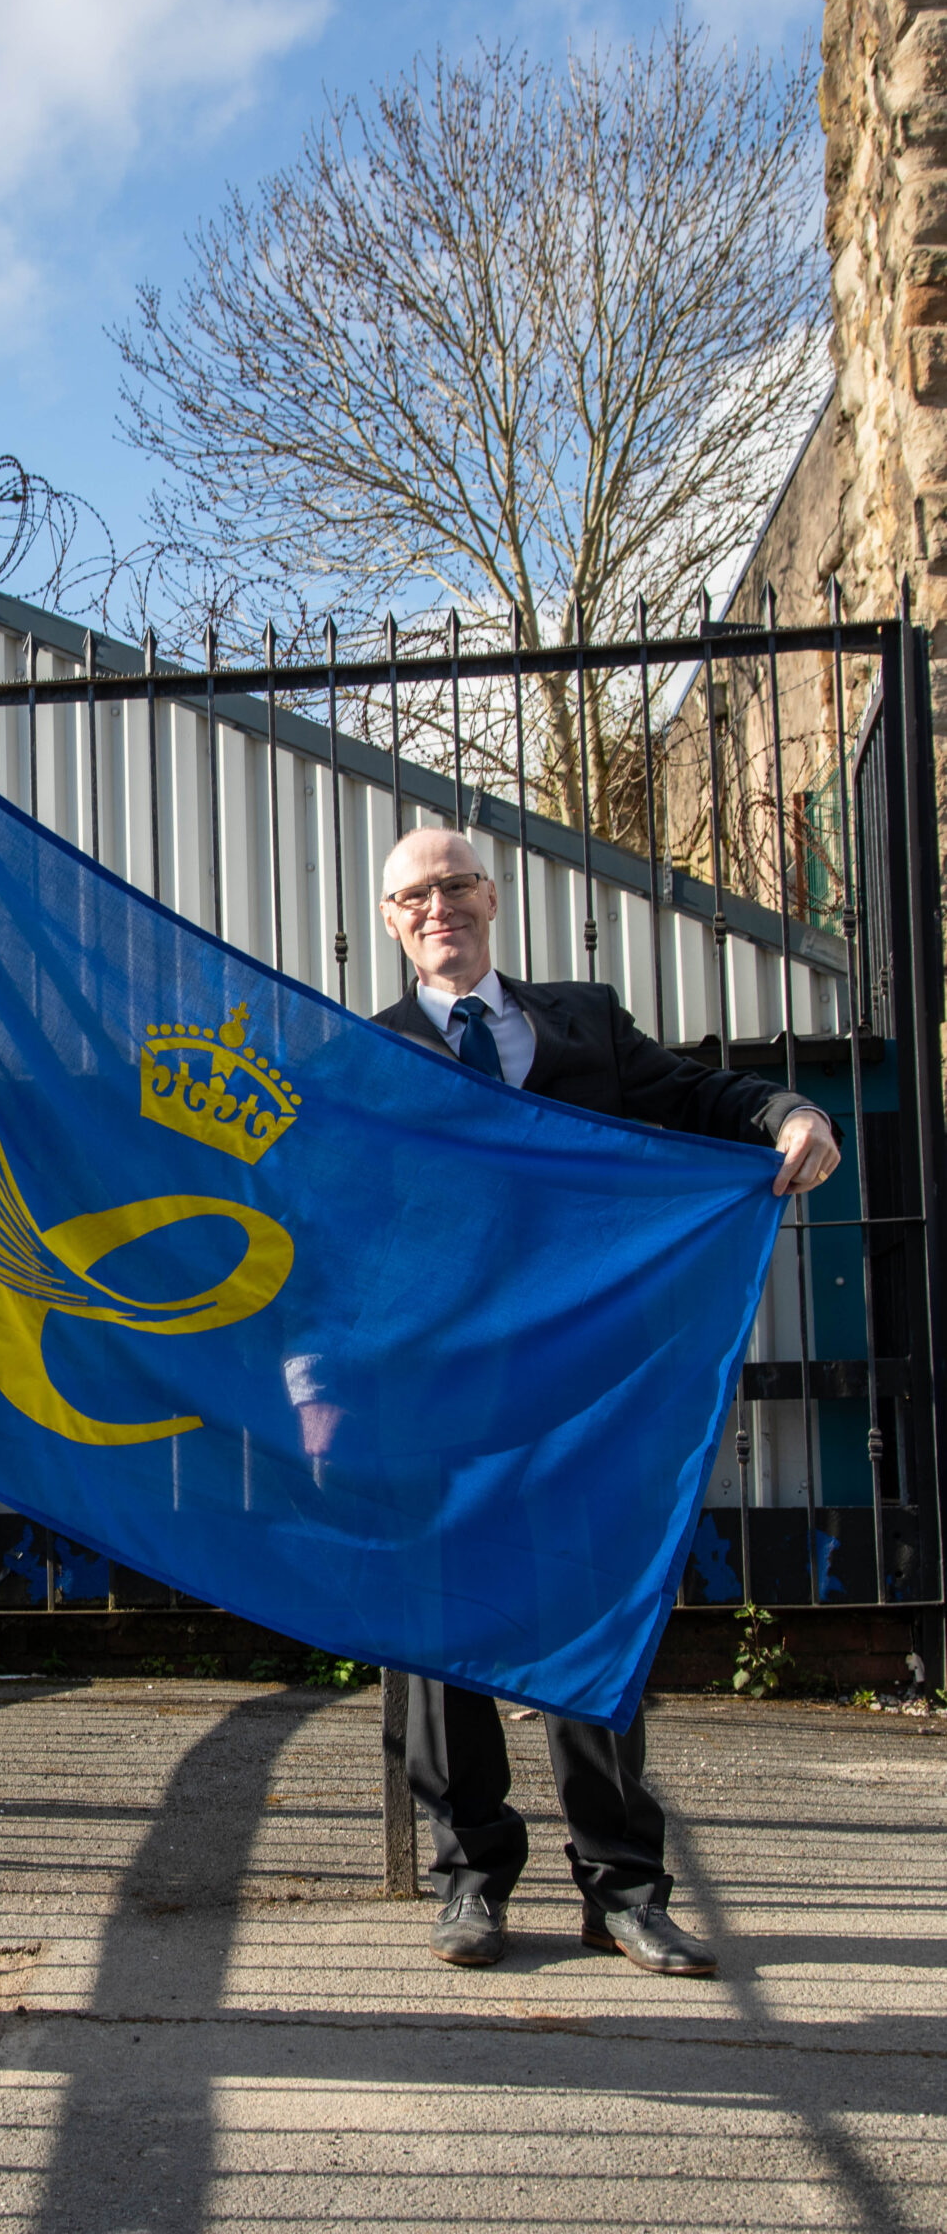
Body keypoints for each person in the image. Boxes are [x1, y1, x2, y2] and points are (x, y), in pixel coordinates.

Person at [367, 823, 839, 1978]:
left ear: (492, 894)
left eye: (458, 884)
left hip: (585, 1389)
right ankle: (469, 1878)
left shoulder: (583, 1020)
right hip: (437, 1395)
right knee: (437, 1637)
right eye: (415, 895)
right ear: (391, 921)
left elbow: (697, 1091)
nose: (441, 907)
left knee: (590, 1618)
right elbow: (335, 1225)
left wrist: (786, 1114)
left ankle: (620, 1888)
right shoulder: (361, 1054)